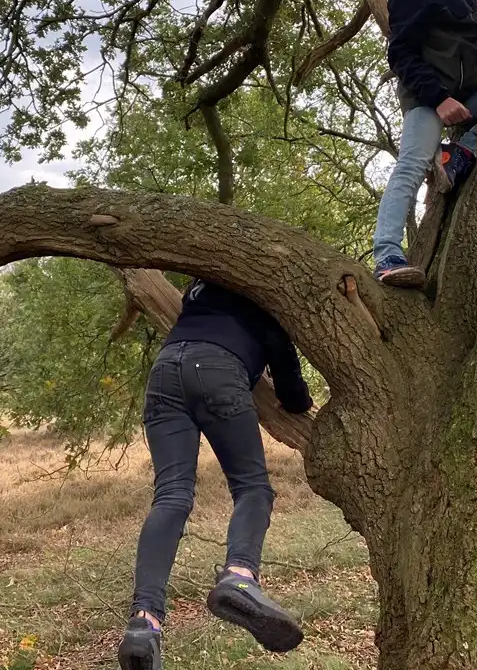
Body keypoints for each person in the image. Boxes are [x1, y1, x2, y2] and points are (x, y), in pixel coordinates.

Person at [118, 278, 315, 670]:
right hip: (218, 369)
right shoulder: (265, 291)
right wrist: (299, 399)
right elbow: (289, 383)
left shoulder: (201, 284)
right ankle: (239, 575)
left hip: (165, 370)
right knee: (253, 487)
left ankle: (145, 621)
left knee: (171, 496)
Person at [372, 0, 477, 289]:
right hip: (428, 96)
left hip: (472, 91)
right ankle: (387, 254)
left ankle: (458, 154)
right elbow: (401, 55)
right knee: (411, 163)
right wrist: (439, 98)